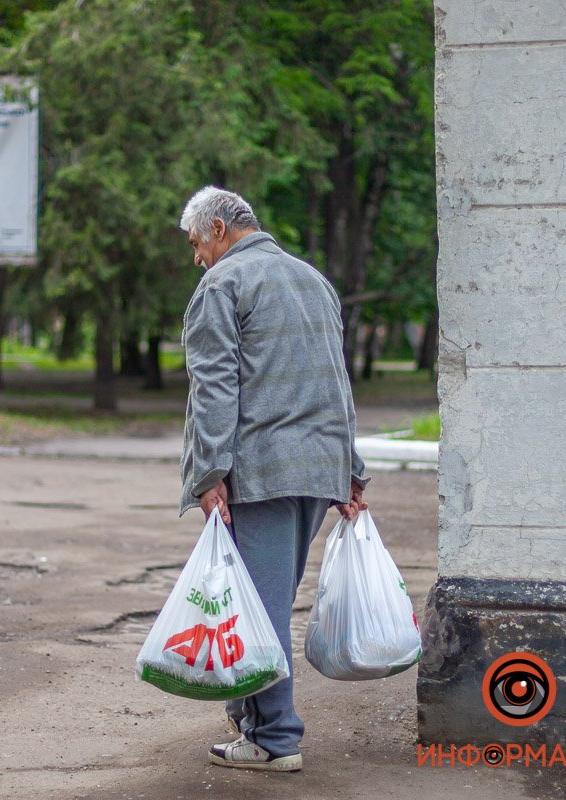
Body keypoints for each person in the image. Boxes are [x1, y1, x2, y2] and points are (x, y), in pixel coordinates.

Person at [177, 186, 368, 772]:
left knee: (257, 609)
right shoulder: (313, 280)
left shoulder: (224, 284)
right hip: (317, 469)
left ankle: (274, 738)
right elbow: (336, 379)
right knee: (267, 599)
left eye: (195, 243)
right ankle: (248, 713)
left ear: (217, 229)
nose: (196, 258)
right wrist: (350, 468)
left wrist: (209, 472)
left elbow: (215, 387)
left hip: (263, 471)